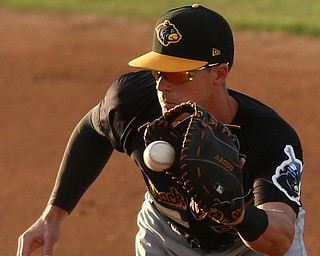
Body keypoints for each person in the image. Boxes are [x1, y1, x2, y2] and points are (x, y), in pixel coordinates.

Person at [17, 4, 307, 256]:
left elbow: (281, 237)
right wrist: (52, 217)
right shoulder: (134, 102)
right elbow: (95, 129)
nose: (162, 85)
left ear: (219, 73)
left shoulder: (268, 137)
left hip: (246, 247)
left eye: (179, 73)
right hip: (166, 237)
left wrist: (238, 215)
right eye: (158, 70)